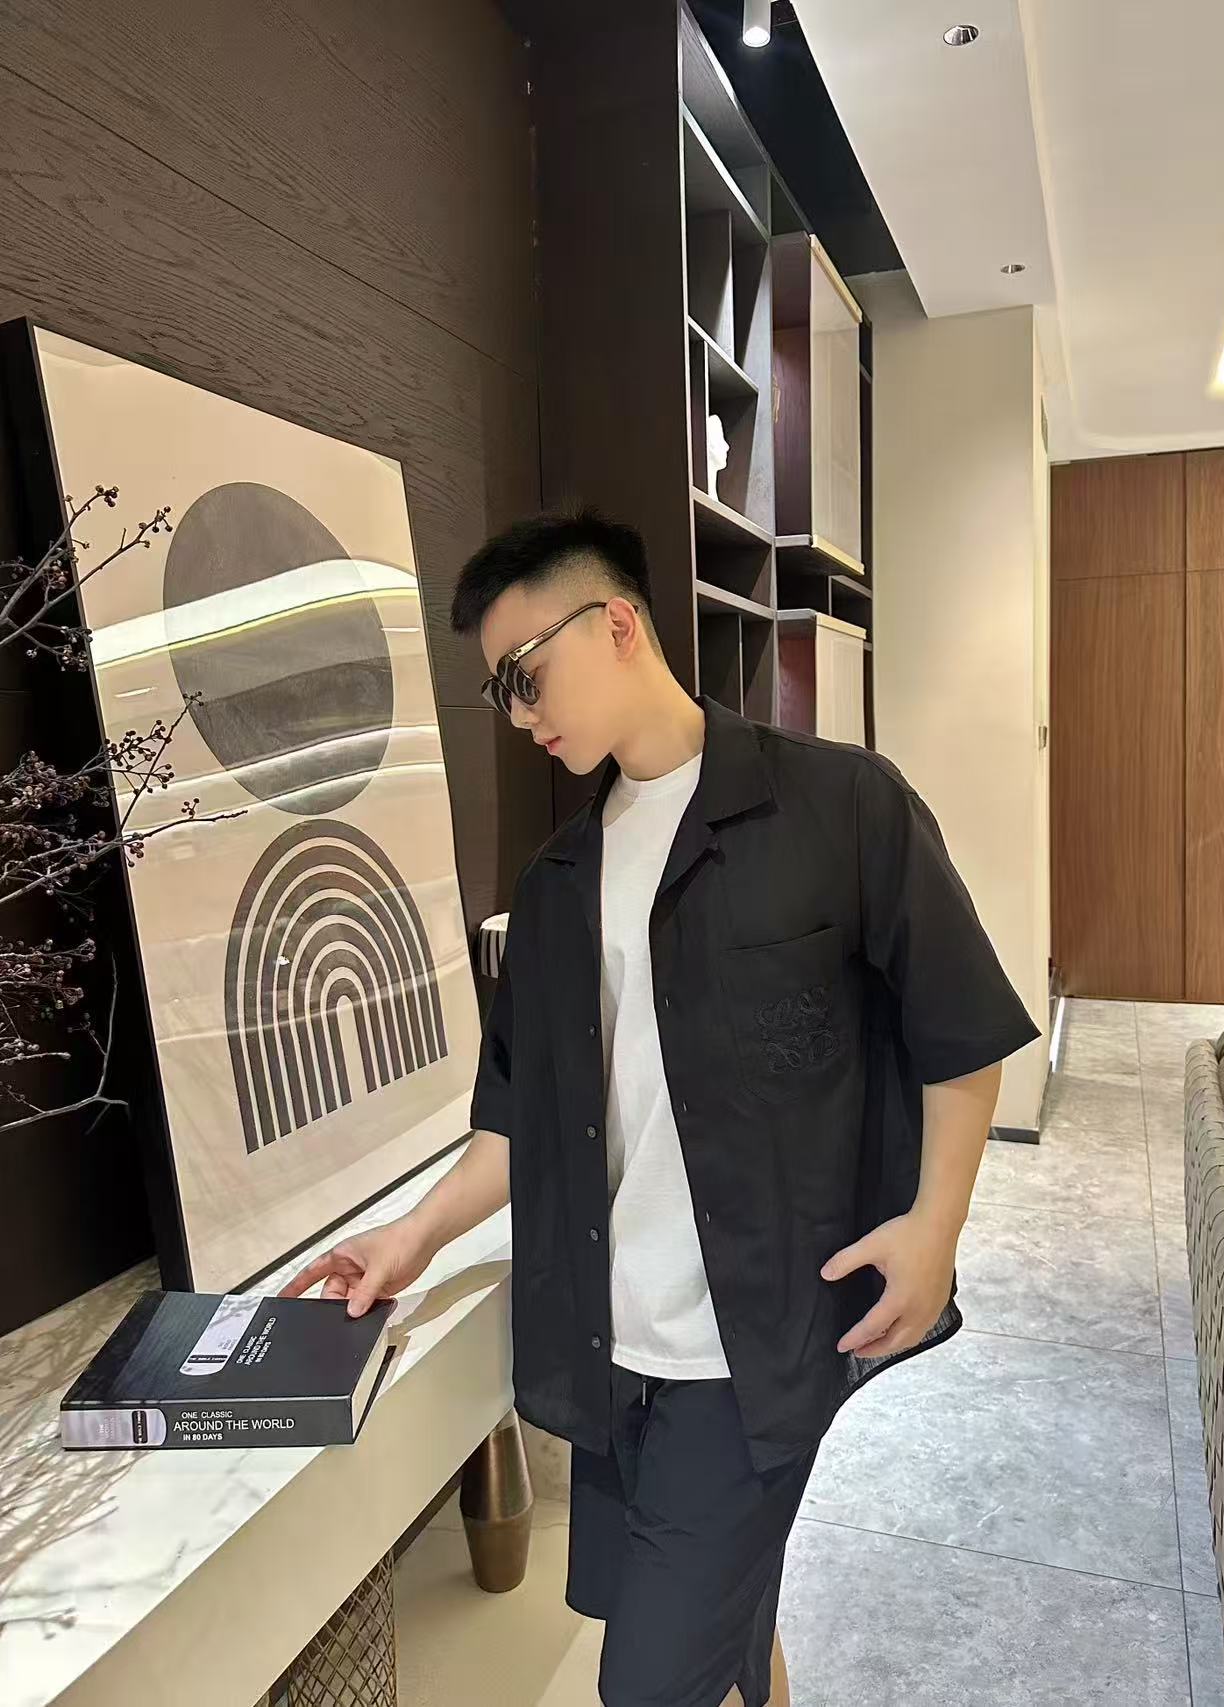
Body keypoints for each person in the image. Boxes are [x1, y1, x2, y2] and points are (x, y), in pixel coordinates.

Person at [282, 511, 1039, 1707]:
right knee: (725, 1631)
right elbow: (520, 1119)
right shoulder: (554, 883)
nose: (520, 716)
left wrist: (933, 1228)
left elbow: (960, 1031)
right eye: (500, 694)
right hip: (608, 1346)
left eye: (524, 676)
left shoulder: (839, 805)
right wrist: (407, 1239)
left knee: (642, 1684)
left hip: (747, 1352)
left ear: (617, 623)